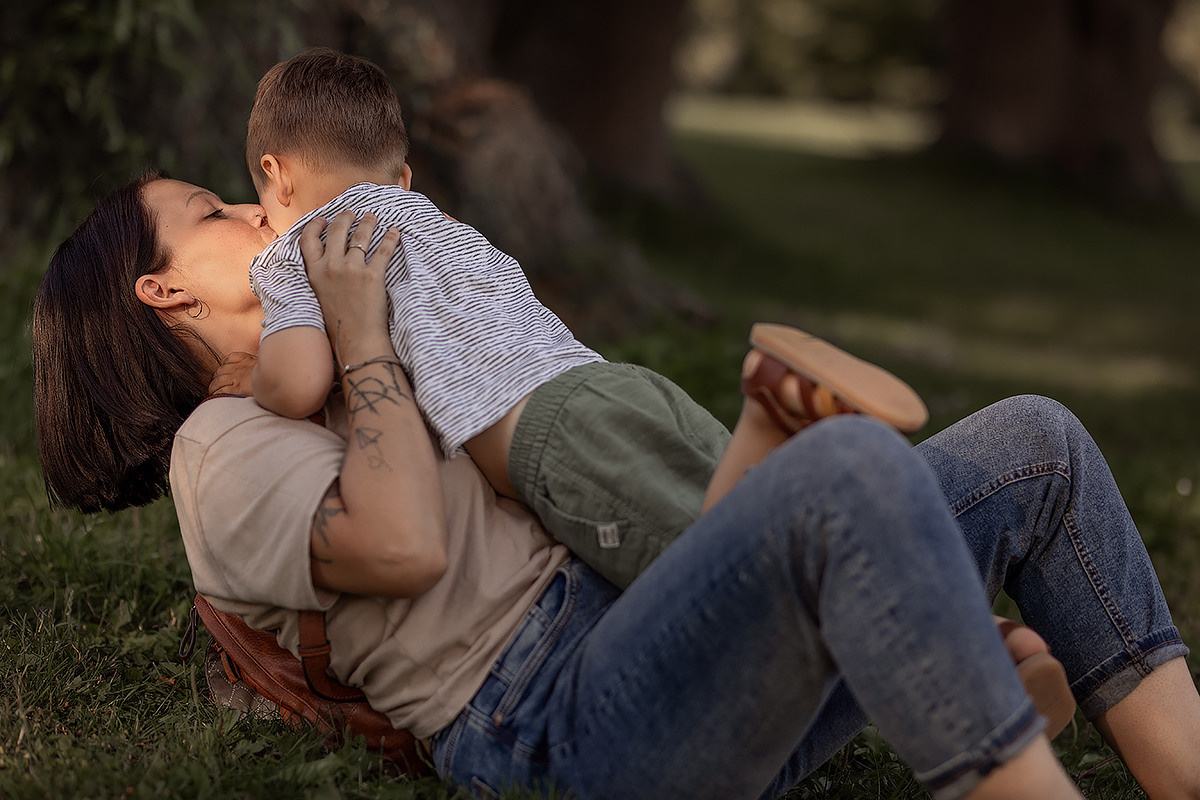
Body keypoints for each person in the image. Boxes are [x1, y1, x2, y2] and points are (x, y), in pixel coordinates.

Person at [31, 171, 1200, 800]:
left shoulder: (337, 373)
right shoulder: (220, 448)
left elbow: (616, 526)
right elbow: (401, 546)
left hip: (650, 640)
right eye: (215, 214)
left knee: (1033, 444)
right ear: (162, 293)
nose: (257, 212)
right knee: (849, 475)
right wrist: (357, 325)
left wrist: (746, 445)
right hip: (556, 724)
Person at [242, 48, 929, 589]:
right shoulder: (430, 218)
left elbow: (298, 381)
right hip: (616, 384)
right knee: (747, 521)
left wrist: (250, 379)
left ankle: (777, 420)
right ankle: (933, 600)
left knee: (725, 584)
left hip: (553, 432)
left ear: (278, 175)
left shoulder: (301, 248)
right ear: (403, 179)